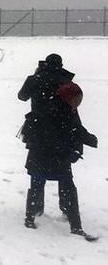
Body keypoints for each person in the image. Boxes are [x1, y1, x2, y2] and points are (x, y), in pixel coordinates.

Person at [18, 54, 98, 238]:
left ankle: (32, 213)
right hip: (61, 140)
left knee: (37, 177)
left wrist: (35, 78)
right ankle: (71, 217)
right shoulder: (65, 83)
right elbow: (74, 122)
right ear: (61, 65)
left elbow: (22, 97)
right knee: (66, 181)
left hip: (38, 134)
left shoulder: (35, 79)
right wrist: (83, 141)